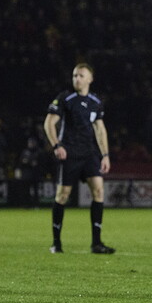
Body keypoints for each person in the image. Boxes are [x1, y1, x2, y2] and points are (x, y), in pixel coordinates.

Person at [43, 62, 115, 254]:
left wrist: (105, 155)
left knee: (99, 192)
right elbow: (49, 123)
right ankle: (56, 243)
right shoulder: (66, 98)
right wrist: (56, 145)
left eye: (81, 75)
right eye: (75, 75)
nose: (77, 78)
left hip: (90, 153)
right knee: (63, 196)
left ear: (90, 79)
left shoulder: (95, 101)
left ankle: (96, 243)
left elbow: (100, 129)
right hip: (70, 153)